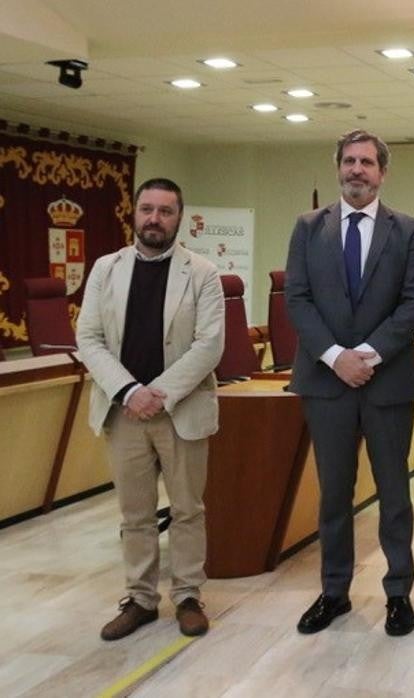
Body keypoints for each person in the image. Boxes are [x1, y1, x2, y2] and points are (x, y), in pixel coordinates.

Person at [285, 129, 414, 637]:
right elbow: (297, 300)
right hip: (326, 385)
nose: (357, 170)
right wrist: (334, 357)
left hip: (386, 383)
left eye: (367, 162)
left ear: (382, 172)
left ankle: (398, 594)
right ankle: (334, 592)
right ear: (337, 167)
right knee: (333, 496)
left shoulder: (407, 230)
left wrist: (364, 357)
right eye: (349, 160)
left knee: (394, 494)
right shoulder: (307, 228)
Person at [76, 177, 224, 640]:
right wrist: (128, 392)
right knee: (135, 514)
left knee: (187, 509)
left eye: (165, 211)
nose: (154, 219)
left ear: (179, 218)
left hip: (180, 410)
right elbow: (89, 338)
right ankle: (140, 599)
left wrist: (157, 392)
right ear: (134, 214)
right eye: (147, 209)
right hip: (124, 413)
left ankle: (187, 596)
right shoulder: (106, 269)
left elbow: (210, 344)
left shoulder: (202, 273)